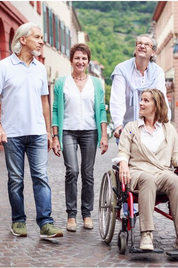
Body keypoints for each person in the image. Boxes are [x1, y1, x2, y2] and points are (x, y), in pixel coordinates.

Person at [0, 22, 63, 239]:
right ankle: (18, 221)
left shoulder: (40, 68)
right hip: (12, 134)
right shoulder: (3, 66)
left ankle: (46, 223)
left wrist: (48, 132)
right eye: (37, 37)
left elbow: (45, 102)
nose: (41, 41)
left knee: (41, 177)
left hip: (37, 133)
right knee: (16, 179)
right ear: (22, 40)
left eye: (41, 37)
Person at [113, 88, 178, 253]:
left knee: (176, 181)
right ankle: (146, 234)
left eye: (146, 100)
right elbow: (123, 151)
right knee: (147, 179)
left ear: (156, 106)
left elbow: (176, 155)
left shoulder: (168, 130)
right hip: (138, 173)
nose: (141, 104)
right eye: (141, 100)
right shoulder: (131, 128)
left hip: (161, 172)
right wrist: (123, 163)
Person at [51, 43, 108, 232]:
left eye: (84, 58)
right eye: (77, 58)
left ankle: (87, 213)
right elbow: (56, 110)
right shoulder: (61, 83)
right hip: (67, 130)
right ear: (71, 60)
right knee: (72, 171)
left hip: (90, 131)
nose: (80, 61)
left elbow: (100, 109)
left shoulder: (96, 83)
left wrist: (104, 134)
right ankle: (71, 215)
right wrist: (55, 136)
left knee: (88, 173)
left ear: (88, 61)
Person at [110, 34, 171, 139]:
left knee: (151, 153)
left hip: (151, 127)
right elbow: (117, 100)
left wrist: (167, 124)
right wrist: (118, 125)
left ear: (152, 52)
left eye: (147, 44)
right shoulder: (121, 70)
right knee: (128, 153)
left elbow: (162, 100)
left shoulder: (157, 72)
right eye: (140, 43)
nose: (142, 46)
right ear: (135, 50)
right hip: (128, 129)